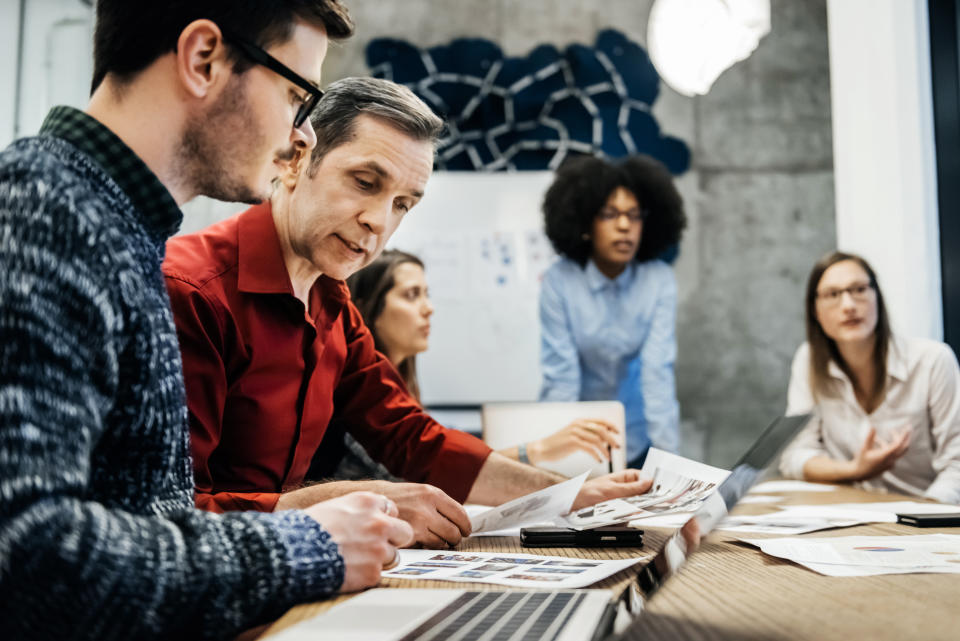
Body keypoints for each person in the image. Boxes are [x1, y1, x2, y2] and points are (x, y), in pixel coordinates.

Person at [0, 4, 422, 640]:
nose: (303, 139)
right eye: (294, 94)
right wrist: (301, 543)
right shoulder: (44, 215)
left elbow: (149, 519)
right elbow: (28, 559)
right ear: (203, 60)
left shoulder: (118, 229)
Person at [164, 77, 655, 551]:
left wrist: (573, 496)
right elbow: (170, 517)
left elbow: (413, 438)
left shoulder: (332, 301)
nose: (379, 221)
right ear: (296, 160)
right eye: (364, 182)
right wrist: (341, 501)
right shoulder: (191, 292)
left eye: (402, 204)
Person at [313, 248, 623, 481]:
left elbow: (438, 450)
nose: (429, 308)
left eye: (427, 294)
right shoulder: (356, 397)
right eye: (411, 295)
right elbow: (414, 477)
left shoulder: (403, 389)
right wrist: (537, 452)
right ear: (368, 308)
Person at [539, 154, 687, 469]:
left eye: (634, 215)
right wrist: (549, 464)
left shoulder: (658, 280)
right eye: (610, 214)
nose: (624, 226)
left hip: (637, 439)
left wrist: (672, 467)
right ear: (585, 224)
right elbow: (561, 379)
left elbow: (657, 372)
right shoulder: (559, 281)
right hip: (577, 442)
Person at [779, 251, 960, 504]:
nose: (848, 305)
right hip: (848, 513)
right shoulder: (809, 360)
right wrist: (855, 470)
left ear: (877, 298)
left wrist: (921, 516)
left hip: (923, 514)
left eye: (859, 290)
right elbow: (795, 455)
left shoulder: (933, 361)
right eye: (833, 294)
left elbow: (957, 464)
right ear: (816, 312)